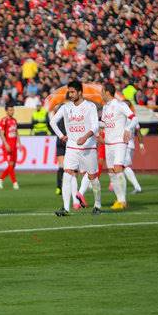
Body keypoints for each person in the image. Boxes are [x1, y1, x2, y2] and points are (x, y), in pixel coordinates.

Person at [49, 80, 101, 216]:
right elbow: (52, 121)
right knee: (67, 174)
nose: (70, 94)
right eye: (69, 92)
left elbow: (95, 126)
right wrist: (61, 136)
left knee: (92, 177)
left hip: (88, 147)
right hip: (71, 146)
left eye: (72, 92)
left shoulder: (90, 106)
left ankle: (97, 204)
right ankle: (66, 208)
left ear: (79, 92)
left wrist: (85, 136)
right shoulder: (66, 107)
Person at [100, 84, 137, 211]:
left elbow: (134, 118)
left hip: (119, 142)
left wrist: (127, 129)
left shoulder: (120, 105)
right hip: (108, 143)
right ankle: (118, 199)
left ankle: (123, 200)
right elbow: (104, 124)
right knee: (111, 172)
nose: (101, 94)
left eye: (102, 92)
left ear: (107, 92)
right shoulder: (105, 107)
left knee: (118, 168)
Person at [0, 104, 21, 190]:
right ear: (6, 111)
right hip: (7, 146)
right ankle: (15, 183)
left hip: (14, 146)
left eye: (12, 110)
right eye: (10, 110)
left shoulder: (14, 120)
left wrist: (19, 143)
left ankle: (0, 179)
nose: (12, 112)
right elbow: (1, 133)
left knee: (13, 166)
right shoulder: (3, 120)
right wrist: (6, 144)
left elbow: (16, 132)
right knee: (10, 164)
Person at [123, 101, 144, 194]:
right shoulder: (133, 117)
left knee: (124, 166)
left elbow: (138, 132)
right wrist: (141, 145)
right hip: (131, 145)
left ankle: (137, 187)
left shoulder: (123, 117)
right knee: (123, 166)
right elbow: (139, 132)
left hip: (126, 145)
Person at [50, 105, 67, 196]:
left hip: (61, 141)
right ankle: (60, 187)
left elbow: (52, 128)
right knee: (64, 167)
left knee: (62, 166)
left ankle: (59, 187)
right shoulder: (69, 117)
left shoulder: (56, 117)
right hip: (64, 142)